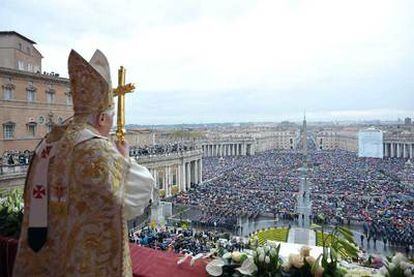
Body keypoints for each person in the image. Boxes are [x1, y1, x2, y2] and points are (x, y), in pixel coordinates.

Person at [13, 50, 156, 276]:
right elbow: (132, 200)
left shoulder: (47, 144)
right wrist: (124, 159)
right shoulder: (98, 149)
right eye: (109, 119)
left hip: (46, 260)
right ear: (101, 118)